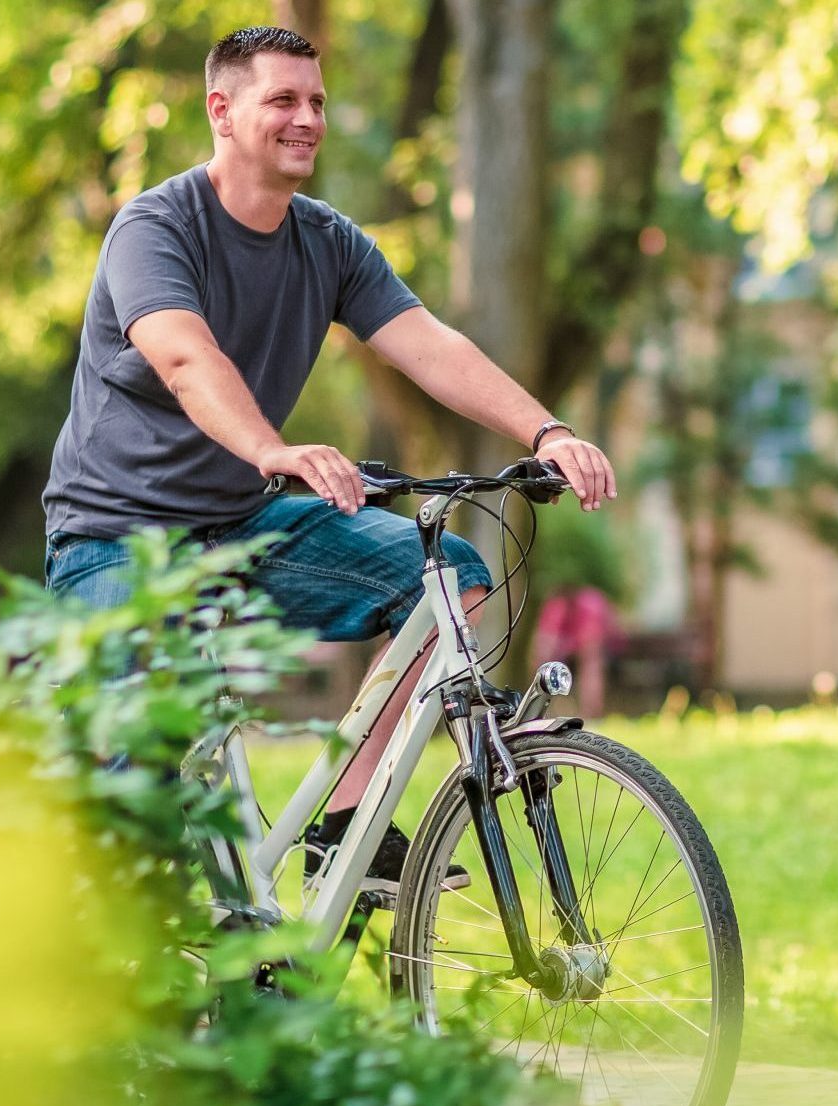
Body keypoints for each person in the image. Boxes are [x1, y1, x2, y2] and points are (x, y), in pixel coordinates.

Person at [40, 26, 618, 890]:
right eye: (283, 100)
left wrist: (548, 432)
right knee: (136, 808)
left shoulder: (329, 242)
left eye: (315, 101)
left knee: (447, 576)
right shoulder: (154, 228)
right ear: (222, 111)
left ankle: (346, 825)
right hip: (119, 537)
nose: (307, 118)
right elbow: (186, 358)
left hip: (242, 522)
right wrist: (273, 448)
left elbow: (429, 345)